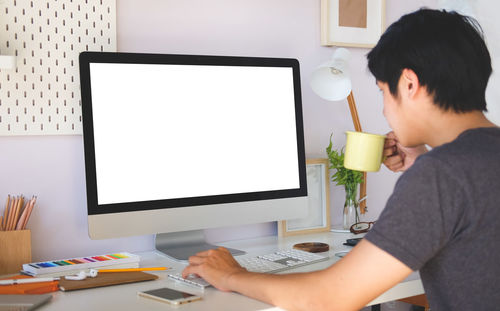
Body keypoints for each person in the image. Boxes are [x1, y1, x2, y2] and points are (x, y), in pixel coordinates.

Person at [183, 9, 500, 310]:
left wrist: (231, 275)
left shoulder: (442, 176)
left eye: (382, 91)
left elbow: (329, 299)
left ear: (409, 84)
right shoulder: (463, 166)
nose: (385, 110)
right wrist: (422, 162)